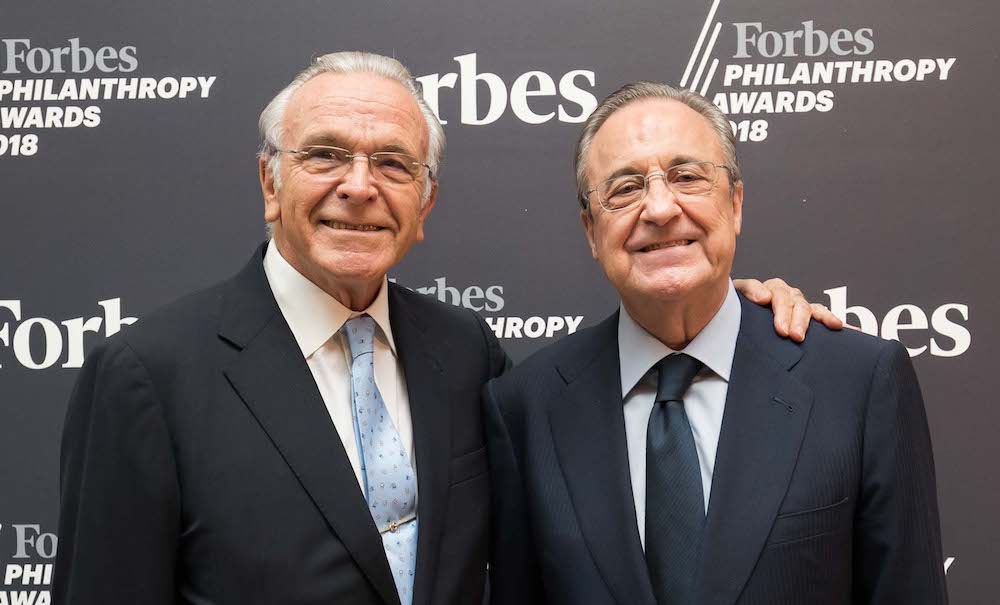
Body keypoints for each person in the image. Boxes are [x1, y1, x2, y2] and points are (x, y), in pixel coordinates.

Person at [53, 53, 834, 605]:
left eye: (394, 164)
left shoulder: (468, 358)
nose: (359, 187)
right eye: (326, 155)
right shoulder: (148, 375)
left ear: (424, 204)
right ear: (271, 179)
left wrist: (742, 321)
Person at [485, 82, 948, 605]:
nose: (660, 208)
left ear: (736, 203)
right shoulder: (527, 406)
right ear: (592, 230)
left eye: (687, 177)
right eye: (624, 189)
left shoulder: (860, 383)